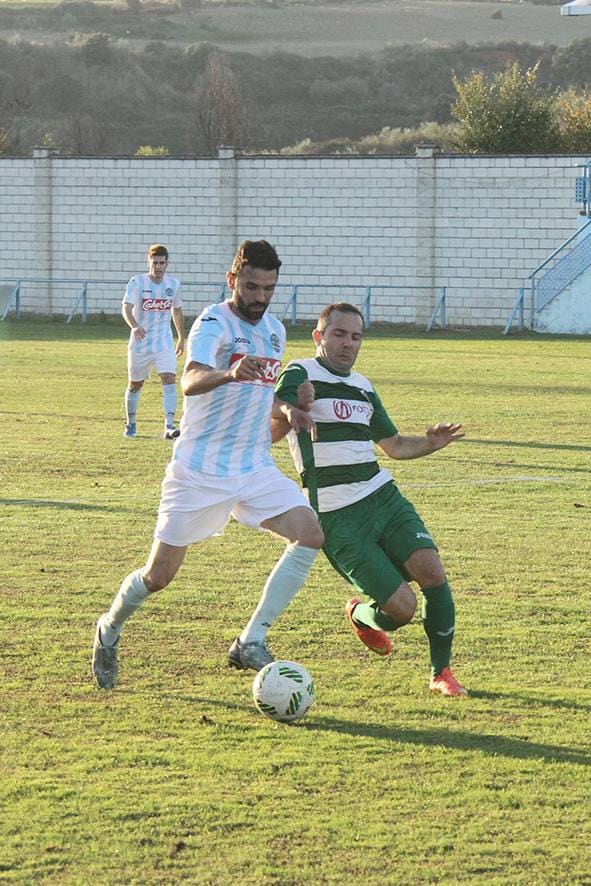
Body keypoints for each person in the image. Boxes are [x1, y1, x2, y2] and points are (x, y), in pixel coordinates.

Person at [92, 240, 324, 690]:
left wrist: (288, 408)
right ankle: (109, 627)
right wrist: (230, 371)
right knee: (158, 576)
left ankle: (250, 641)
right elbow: (191, 379)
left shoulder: (274, 330)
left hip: (253, 467)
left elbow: (264, 389)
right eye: (252, 286)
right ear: (232, 279)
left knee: (310, 534)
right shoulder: (213, 322)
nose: (260, 297)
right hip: (198, 470)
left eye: (268, 288)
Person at [267, 302, 468, 697]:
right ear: (319, 337)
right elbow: (268, 405)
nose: (347, 344)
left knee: (433, 572)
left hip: (383, 497)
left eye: (355, 336)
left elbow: (392, 445)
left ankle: (440, 672)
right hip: (337, 515)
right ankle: (361, 614)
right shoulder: (301, 372)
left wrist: (430, 442)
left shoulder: (363, 386)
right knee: (402, 610)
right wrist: (291, 406)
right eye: (339, 334)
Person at [122, 243, 185, 440]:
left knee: (169, 378)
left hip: (163, 343)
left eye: (162, 263)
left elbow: (176, 310)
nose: (158, 266)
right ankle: (131, 423)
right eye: (155, 263)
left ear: (167, 264)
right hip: (141, 344)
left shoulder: (173, 285)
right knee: (135, 384)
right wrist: (134, 325)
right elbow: (126, 307)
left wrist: (182, 337)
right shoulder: (137, 282)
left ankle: (169, 426)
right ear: (149, 262)